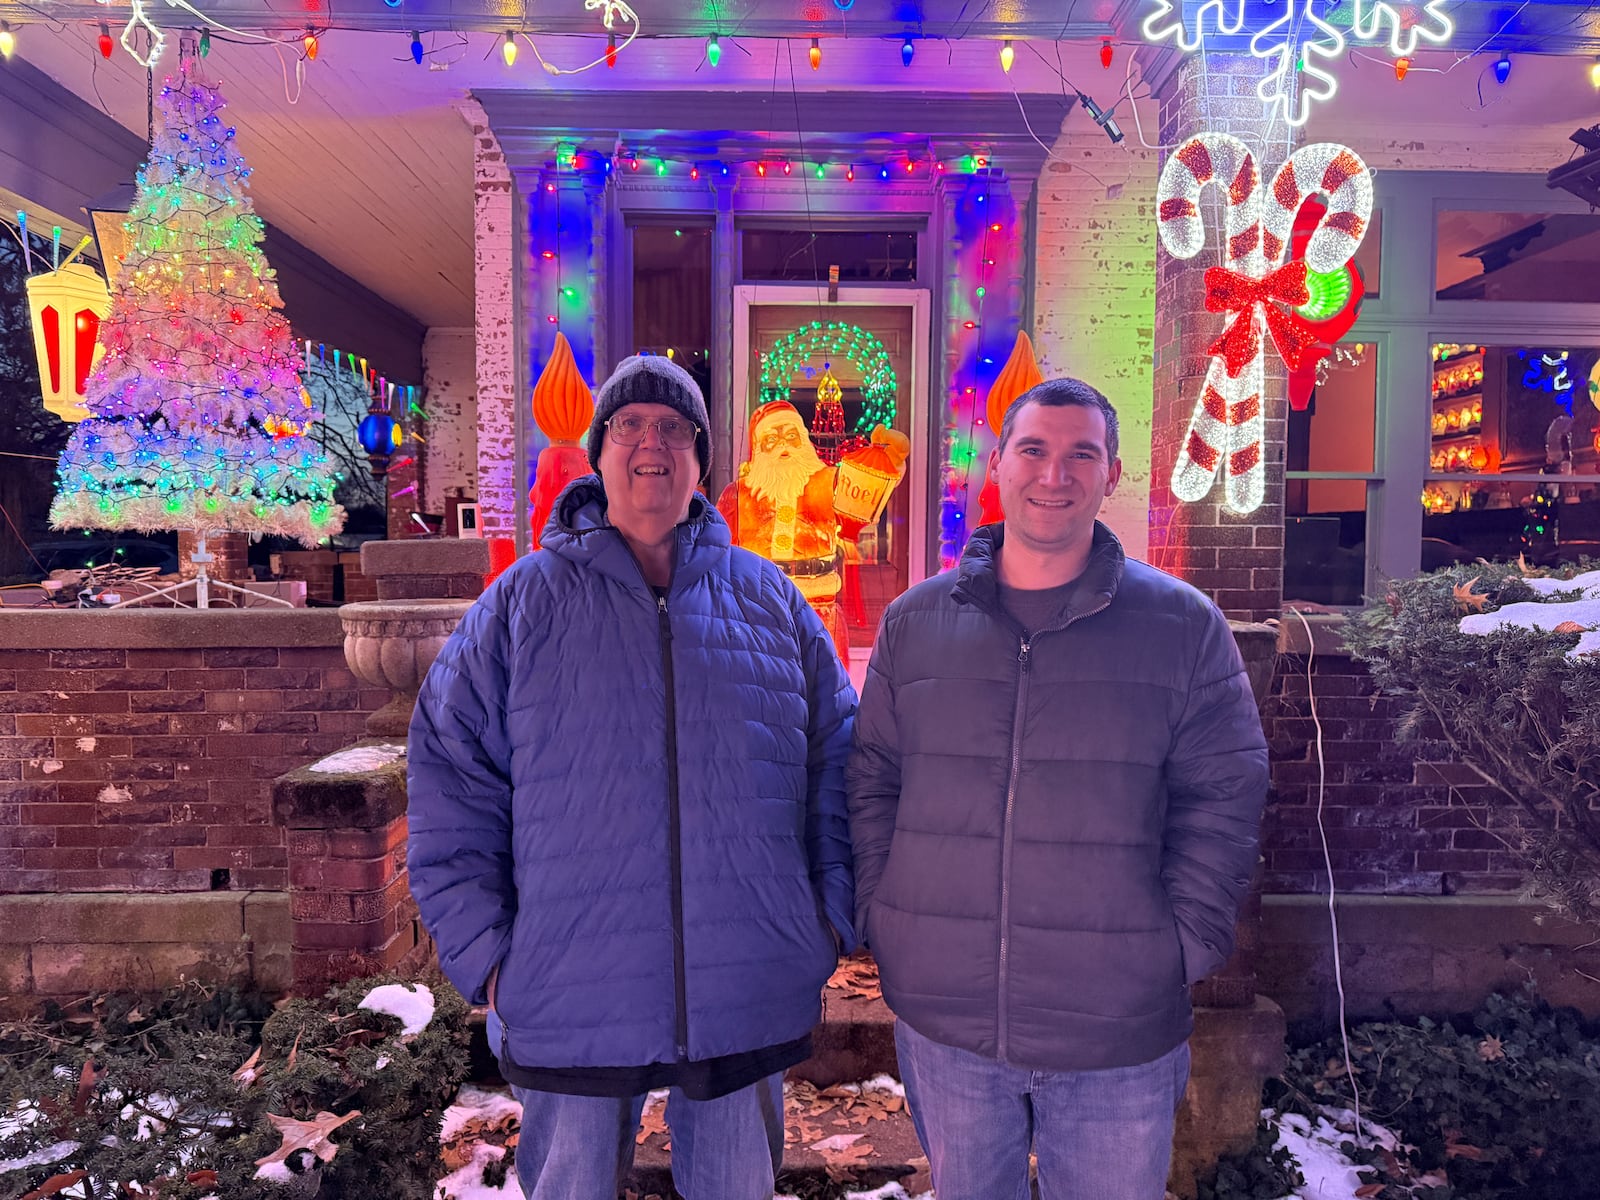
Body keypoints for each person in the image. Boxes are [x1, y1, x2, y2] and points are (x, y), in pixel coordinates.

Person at [407, 354, 857, 1200]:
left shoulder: (769, 602)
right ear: (599, 453)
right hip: (567, 988)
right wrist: (493, 959)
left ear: (700, 459)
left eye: (674, 427)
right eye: (630, 424)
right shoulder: (520, 605)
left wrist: (825, 922)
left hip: (746, 981)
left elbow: (839, 761)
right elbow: (450, 775)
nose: (652, 441)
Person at [846, 377, 1270, 1200]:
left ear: (1112, 475)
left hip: (1116, 1026)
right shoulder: (915, 623)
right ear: (997, 464)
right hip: (950, 1018)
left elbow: (1224, 796)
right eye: (1034, 450)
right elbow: (873, 782)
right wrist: (883, 912)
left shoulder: (1182, 628)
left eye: (1083, 454)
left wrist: (1181, 945)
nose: (1055, 474)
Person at [718, 399, 909, 658]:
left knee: (822, 685)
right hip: (756, 610)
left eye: (791, 435)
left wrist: (888, 460)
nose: (783, 443)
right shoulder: (738, 494)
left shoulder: (828, 481)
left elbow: (864, 493)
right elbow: (718, 552)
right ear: (758, 448)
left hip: (819, 608)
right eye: (772, 438)